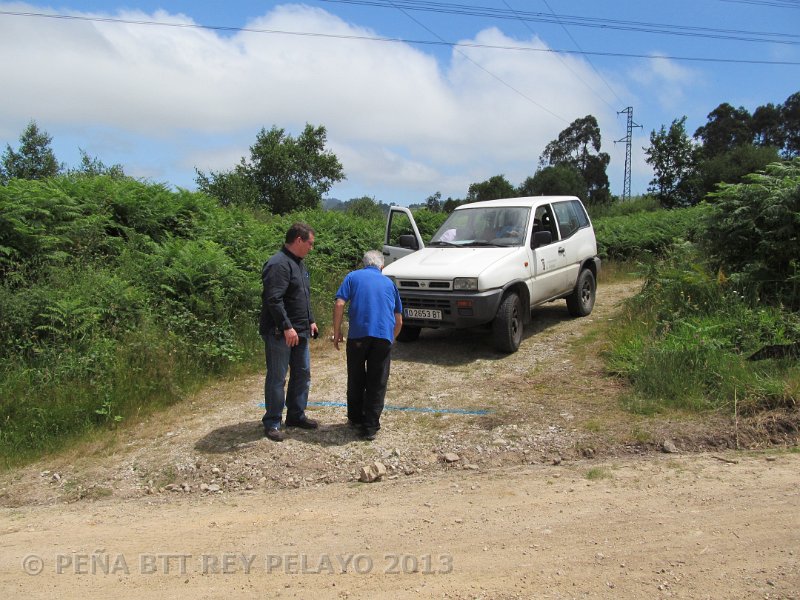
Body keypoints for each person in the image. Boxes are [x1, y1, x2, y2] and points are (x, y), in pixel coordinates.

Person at [259, 222, 320, 442]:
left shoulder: (299, 264)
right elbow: (274, 300)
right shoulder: (278, 264)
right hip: (280, 333)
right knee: (277, 378)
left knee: (302, 374)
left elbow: (302, 296)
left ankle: (296, 415)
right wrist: (286, 327)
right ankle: (273, 421)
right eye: (310, 244)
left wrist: (310, 320)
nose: (311, 248)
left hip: (301, 331)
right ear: (298, 240)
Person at [332, 250, 403, 440]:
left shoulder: (352, 277)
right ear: (382, 267)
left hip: (357, 336)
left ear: (364, 264)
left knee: (356, 377)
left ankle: (355, 419)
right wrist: (391, 338)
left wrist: (337, 332)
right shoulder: (389, 283)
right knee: (377, 380)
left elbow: (339, 304)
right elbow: (399, 320)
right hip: (382, 336)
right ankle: (371, 426)